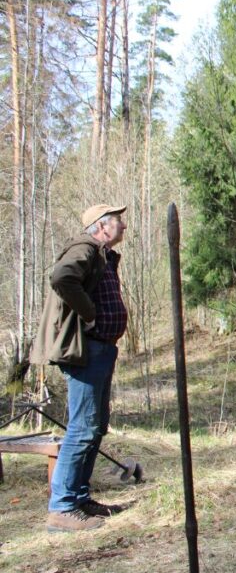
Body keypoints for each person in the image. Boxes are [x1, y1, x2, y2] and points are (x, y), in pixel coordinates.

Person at [30, 204, 129, 532]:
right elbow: (62, 278)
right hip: (86, 351)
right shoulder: (84, 248)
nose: (124, 225)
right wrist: (89, 314)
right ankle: (62, 507)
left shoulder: (100, 254)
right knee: (83, 428)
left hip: (100, 350)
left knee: (96, 425)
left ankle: (78, 497)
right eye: (118, 220)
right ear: (101, 227)